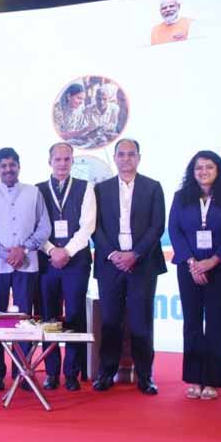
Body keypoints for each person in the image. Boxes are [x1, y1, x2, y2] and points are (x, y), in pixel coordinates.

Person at [168, 151, 221, 400]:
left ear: (218, 170)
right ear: (192, 172)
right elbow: (174, 230)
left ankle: (212, 379)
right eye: (198, 168)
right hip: (189, 268)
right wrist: (193, 263)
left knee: (216, 323)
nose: (203, 172)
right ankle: (193, 378)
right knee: (191, 323)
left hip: (220, 268)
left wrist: (212, 261)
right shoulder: (181, 196)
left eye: (209, 167)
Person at [91, 139, 166, 395]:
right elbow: (95, 227)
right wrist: (113, 254)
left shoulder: (153, 187)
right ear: (115, 158)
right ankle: (106, 373)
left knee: (140, 322)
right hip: (109, 265)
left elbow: (157, 226)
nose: (126, 159)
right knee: (110, 321)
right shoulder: (100, 189)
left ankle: (145, 375)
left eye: (131, 154)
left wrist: (135, 254)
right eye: (121, 154)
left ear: (139, 158)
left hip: (142, 264)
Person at [0, 148, 51, 391]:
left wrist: (23, 249)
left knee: (25, 321)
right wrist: (4, 253)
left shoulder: (34, 193)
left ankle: (24, 370)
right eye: (3, 166)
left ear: (19, 166)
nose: (8, 169)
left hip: (27, 265)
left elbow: (44, 227)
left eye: (12, 165)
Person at [36, 142, 95, 391]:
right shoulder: (37, 190)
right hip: (47, 261)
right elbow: (34, 226)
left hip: (76, 262)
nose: (62, 164)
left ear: (72, 161)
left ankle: (72, 373)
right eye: (58, 159)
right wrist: (52, 250)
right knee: (48, 317)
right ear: (49, 161)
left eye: (67, 159)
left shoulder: (85, 187)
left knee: (74, 316)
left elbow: (88, 226)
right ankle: (51, 372)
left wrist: (67, 251)